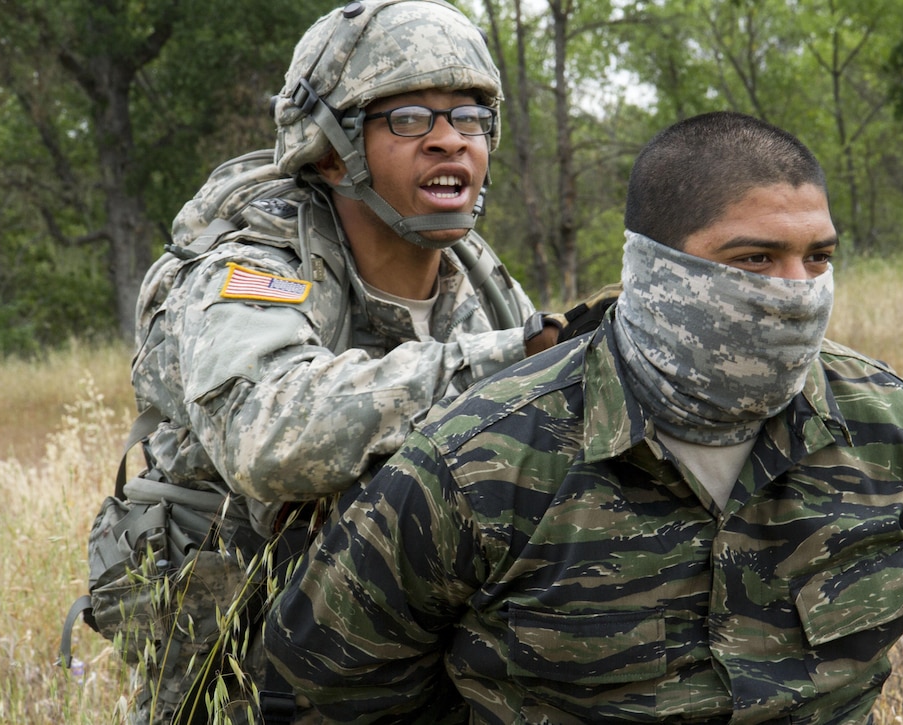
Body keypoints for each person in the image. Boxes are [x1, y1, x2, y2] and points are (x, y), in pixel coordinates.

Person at [264, 111, 903, 724]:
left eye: (818, 258)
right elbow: (330, 684)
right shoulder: (480, 461)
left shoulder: (894, 434)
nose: (797, 294)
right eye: (754, 258)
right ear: (656, 269)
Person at [93, 1, 591, 722]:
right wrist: (501, 364)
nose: (450, 141)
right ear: (332, 149)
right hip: (248, 673)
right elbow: (271, 437)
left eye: (471, 117)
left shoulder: (473, 274)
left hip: (412, 660)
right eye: (411, 119)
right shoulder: (253, 267)